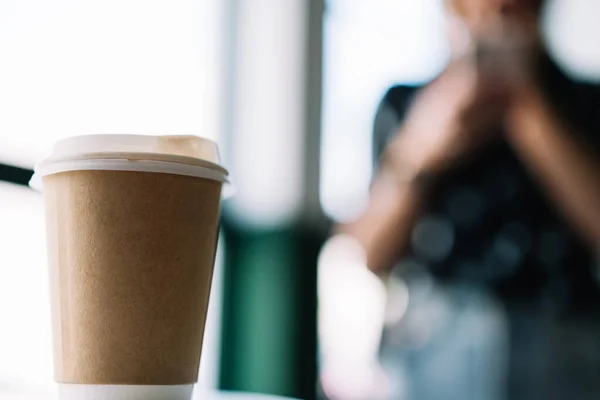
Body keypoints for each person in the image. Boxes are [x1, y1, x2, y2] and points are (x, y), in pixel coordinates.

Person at [341, 0, 600, 398]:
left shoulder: (585, 106)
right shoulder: (408, 106)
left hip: (563, 347)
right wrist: (425, 149)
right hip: (433, 350)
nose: (491, 25)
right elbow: (369, 252)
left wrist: (529, 115)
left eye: (508, 12)